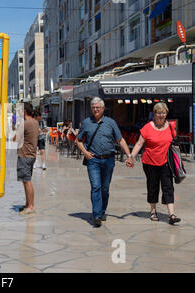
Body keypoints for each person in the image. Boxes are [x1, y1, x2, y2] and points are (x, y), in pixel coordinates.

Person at [76, 97, 133, 227]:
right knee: (96, 186)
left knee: (105, 188)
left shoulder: (111, 122)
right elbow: (78, 140)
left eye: (98, 107)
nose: (95, 109)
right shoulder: (86, 123)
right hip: (93, 160)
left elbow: (120, 140)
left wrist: (129, 155)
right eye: (93, 107)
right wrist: (85, 152)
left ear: (103, 109)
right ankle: (96, 215)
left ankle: (102, 211)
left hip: (108, 159)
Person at [128, 102, 181, 225]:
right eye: (158, 113)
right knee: (153, 187)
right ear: (154, 114)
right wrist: (131, 157)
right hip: (150, 162)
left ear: (166, 113)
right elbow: (139, 144)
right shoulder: (147, 127)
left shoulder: (170, 127)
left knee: (168, 187)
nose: (161, 115)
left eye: (163, 112)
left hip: (166, 162)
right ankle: (153, 211)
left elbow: (174, 142)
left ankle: (171, 214)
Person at [13, 102, 40, 215]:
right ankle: (28, 203)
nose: (18, 113)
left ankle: (30, 206)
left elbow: (15, 139)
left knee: (26, 181)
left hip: (24, 155)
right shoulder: (35, 122)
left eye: (19, 111)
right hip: (31, 155)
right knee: (27, 180)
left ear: (24, 111)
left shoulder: (24, 124)